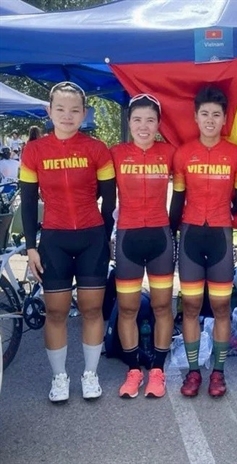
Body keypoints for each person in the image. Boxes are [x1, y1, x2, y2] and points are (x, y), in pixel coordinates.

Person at [19, 81, 116, 403]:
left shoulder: (97, 149)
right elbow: (28, 201)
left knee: (92, 309)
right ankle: (59, 377)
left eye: (74, 110)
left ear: (84, 113)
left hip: (92, 238)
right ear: (49, 112)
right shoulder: (34, 151)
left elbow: (109, 200)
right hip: (53, 240)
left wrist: (105, 236)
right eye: (60, 109)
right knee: (56, 312)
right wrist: (31, 246)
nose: (67, 115)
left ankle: (90, 374)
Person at [169, 86, 237, 398]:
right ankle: (193, 372)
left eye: (216, 114)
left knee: (221, 307)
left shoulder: (236, 155)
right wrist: (169, 234)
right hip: (191, 235)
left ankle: (218, 372)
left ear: (224, 119)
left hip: (221, 237)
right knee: (190, 306)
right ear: (195, 117)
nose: (210, 119)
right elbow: (177, 201)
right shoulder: (183, 154)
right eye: (204, 114)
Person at [111, 94, 175, 399]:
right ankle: (134, 370)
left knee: (162, 306)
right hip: (128, 238)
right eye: (137, 120)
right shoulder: (116, 154)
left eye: (150, 120)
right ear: (129, 122)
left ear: (159, 124)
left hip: (160, 238)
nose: (143, 126)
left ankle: (158, 371)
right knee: (127, 308)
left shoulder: (170, 152)